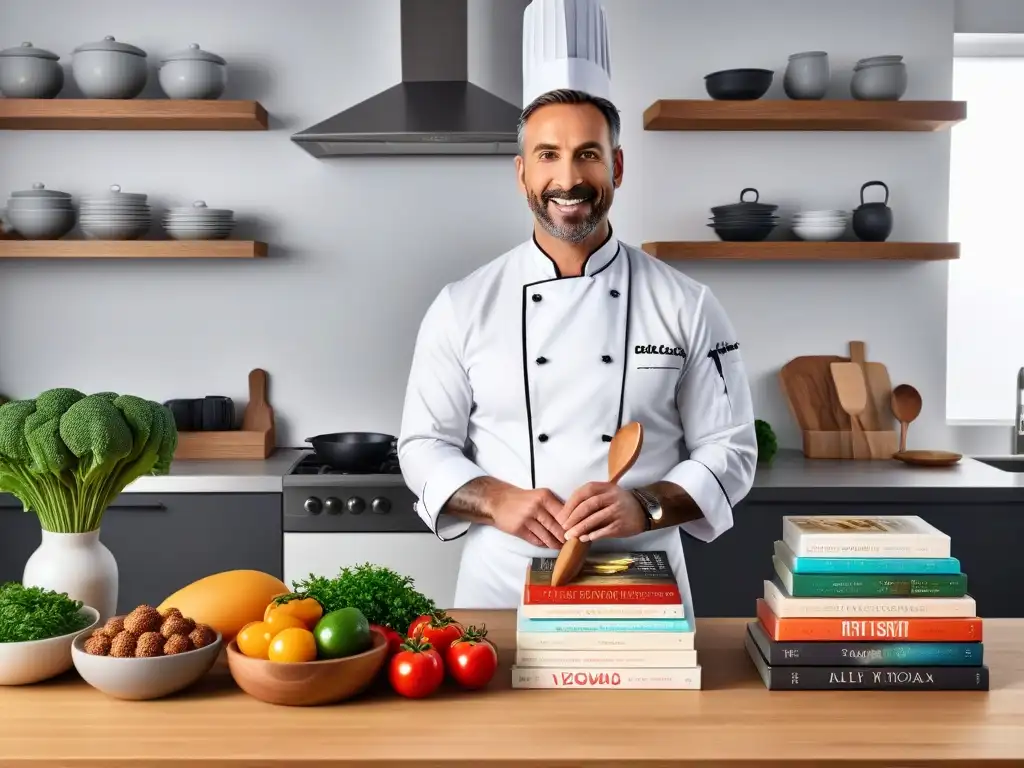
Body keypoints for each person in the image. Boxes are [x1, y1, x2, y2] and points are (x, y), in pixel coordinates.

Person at [397, 0, 757, 619]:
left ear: (616, 166)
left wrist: (648, 504)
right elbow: (423, 444)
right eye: (548, 155)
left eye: (588, 153)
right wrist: (495, 499)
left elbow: (731, 450)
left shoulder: (687, 304)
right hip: (500, 593)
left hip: (643, 589)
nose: (569, 178)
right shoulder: (462, 306)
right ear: (521, 173)